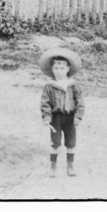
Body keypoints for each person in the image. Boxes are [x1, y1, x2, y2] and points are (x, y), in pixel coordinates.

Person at [39, 47, 85, 177]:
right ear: (52, 69)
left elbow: (80, 102)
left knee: (71, 143)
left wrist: (78, 117)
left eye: (62, 68)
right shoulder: (49, 86)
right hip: (56, 118)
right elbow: (45, 104)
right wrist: (47, 118)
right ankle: (52, 167)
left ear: (68, 69)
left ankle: (70, 166)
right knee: (55, 143)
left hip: (70, 118)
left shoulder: (73, 85)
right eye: (56, 68)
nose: (59, 71)